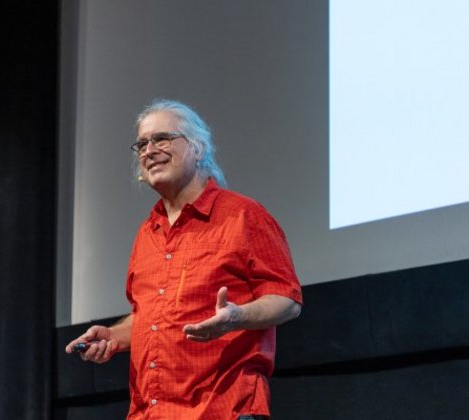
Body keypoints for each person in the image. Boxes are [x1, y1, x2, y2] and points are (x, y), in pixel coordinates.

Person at [66, 99, 303, 420]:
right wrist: (114, 337)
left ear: (199, 147)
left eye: (162, 138)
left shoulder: (244, 216)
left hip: (223, 409)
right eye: (142, 144)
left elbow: (287, 299)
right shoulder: (147, 233)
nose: (149, 150)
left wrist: (237, 317)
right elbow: (150, 317)